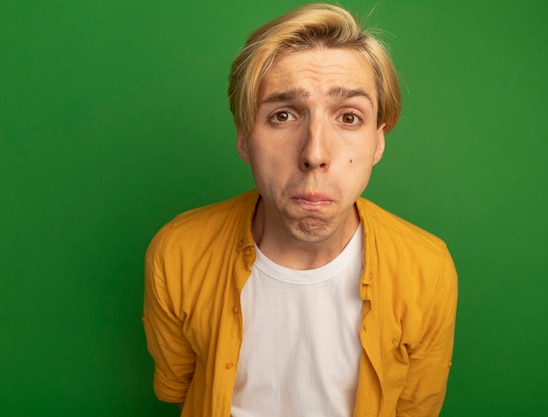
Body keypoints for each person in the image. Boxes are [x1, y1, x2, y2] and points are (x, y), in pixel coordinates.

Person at [142, 3, 458, 417]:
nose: (314, 153)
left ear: (378, 142)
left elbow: (415, 409)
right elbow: (180, 387)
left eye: (348, 117)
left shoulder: (427, 270)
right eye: (283, 115)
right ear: (244, 140)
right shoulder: (178, 252)